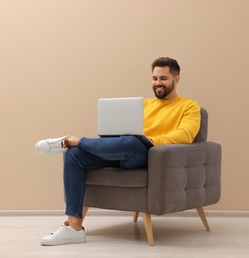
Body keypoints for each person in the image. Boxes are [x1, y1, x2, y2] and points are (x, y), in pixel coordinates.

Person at [35, 57, 201, 246]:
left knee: (132, 141)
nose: (158, 83)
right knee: (74, 156)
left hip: (148, 155)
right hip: (119, 149)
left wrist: (149, 140)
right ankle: (74, 228)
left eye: (163, 78)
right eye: (154, 79)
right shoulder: (143, 105)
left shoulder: (189, 106)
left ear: (176, 79)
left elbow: (185, 135)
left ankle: (73, 141)